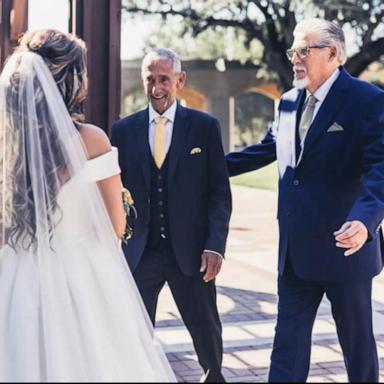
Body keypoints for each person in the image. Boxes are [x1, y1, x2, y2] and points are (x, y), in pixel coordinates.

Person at [0, 29, 176, 382]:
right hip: (80, 275)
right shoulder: (91, 140)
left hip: (15, 273)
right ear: (70, 81)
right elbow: (114, 224)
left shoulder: (7, 146)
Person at [226, 18, 384, 382]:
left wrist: (365, 220)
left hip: (346, 248)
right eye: (293, 51)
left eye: (303, 51)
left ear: (333, 53)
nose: (295, 58)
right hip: (295, 255)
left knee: (358, 350)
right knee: (287, 350)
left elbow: (379, 170)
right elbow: (265, 151)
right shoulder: (288, 102)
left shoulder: (368, 100)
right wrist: (204, 167)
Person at [111, 48, 232, 383]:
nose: (156, 87)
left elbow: (219, 194)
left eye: (164, 79)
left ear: (180, 80)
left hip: (192, 251)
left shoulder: (205, 127)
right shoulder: (123, 130)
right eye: (150, 79)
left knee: (207, 332)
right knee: (132, 333)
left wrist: (215, 245)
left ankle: (214, 377)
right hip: (141, 253)